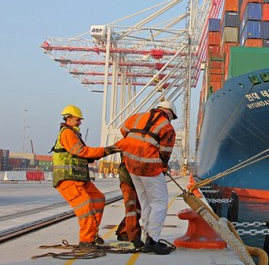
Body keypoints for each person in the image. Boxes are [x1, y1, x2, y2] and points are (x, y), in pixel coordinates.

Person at [51, 105, 121, 247]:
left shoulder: (74, 133)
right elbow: (81, 151)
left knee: (98, 198)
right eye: (78, 120)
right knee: (85, 206)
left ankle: (92, 234)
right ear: (68, 119)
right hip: (68, 179)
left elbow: (79, 154)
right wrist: (107, 150)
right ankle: (86, 241)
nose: (80, 122)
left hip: (79, 178)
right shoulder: (67, 133)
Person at [116, 100, 177, 255]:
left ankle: (146, 236)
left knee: (145, 203)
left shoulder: (136, 117)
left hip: (131, 165)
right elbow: (165, 152)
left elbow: (124, 131)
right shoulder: (167, 127)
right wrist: (162, 166)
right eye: (172, 116)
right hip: (149, 167)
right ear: (169, 112)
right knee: (160, 203)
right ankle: (153, 240)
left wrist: (137, 145)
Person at [114, 158, 143, 249]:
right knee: (131, 206)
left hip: (139, 175)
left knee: (139, 207)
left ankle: (123, 231)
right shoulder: (129, 144)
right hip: (127, 175)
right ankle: (133, 236)